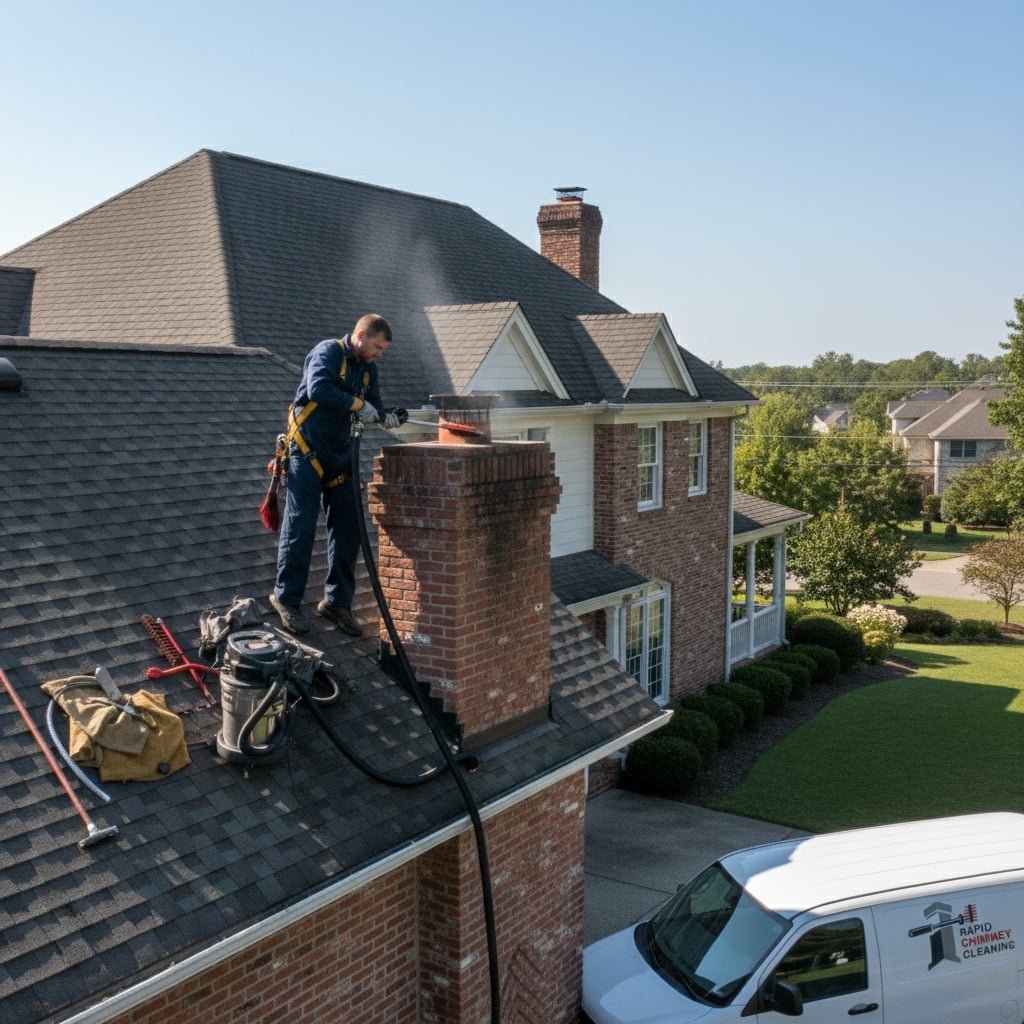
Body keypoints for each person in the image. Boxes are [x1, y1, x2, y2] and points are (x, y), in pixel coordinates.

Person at [270, 314, 401, 637]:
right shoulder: (328, 352)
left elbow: (375, 404)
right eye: (377, 347)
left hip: (340, 456)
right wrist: (359, 405)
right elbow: (318, 389)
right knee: (300, 525)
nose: (378, 354)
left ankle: (337, 603)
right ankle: (286, 599)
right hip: (307, 452)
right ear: (360, 335)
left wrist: (387, 417)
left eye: (382, 350)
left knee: (349, 527)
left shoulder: (368, 369)